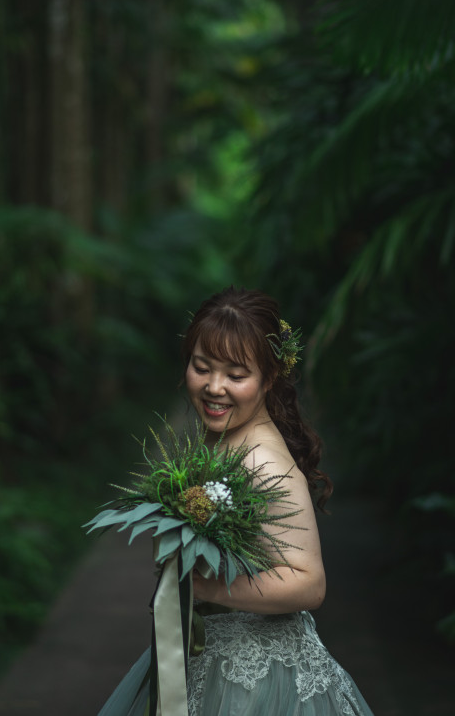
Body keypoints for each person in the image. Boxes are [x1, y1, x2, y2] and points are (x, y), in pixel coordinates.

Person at [98, 287, 374, 716]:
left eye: (235, 375)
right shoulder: (225, 439)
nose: (214, 387)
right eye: (201, 367)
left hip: (257, 680)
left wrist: (202, 587)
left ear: (269, 378)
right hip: (208, 655)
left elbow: (309, 582)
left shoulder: (263, 461)